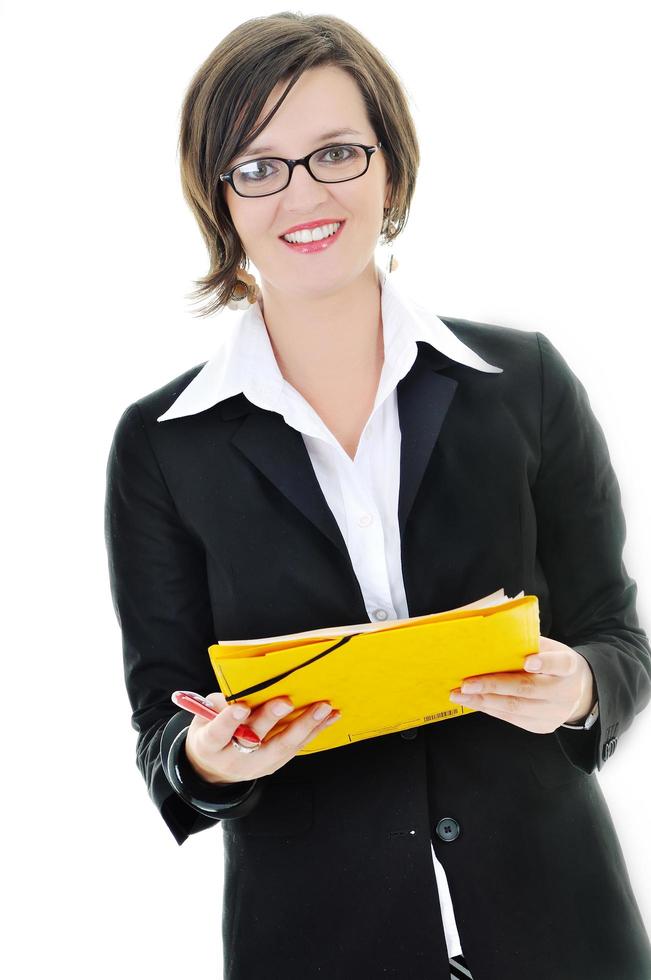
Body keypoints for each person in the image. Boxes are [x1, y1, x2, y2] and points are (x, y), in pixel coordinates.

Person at [104, 12, 651, 980]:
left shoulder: (522, 380)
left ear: (389, 168)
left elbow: (618, 637)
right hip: (313, 943)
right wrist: (213, 756)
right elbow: (165, 728)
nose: (303, 193)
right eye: (259, 166)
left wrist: (580, 687)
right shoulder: (161, 448)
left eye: (336, 153)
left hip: (564, 930)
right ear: (219, 197)